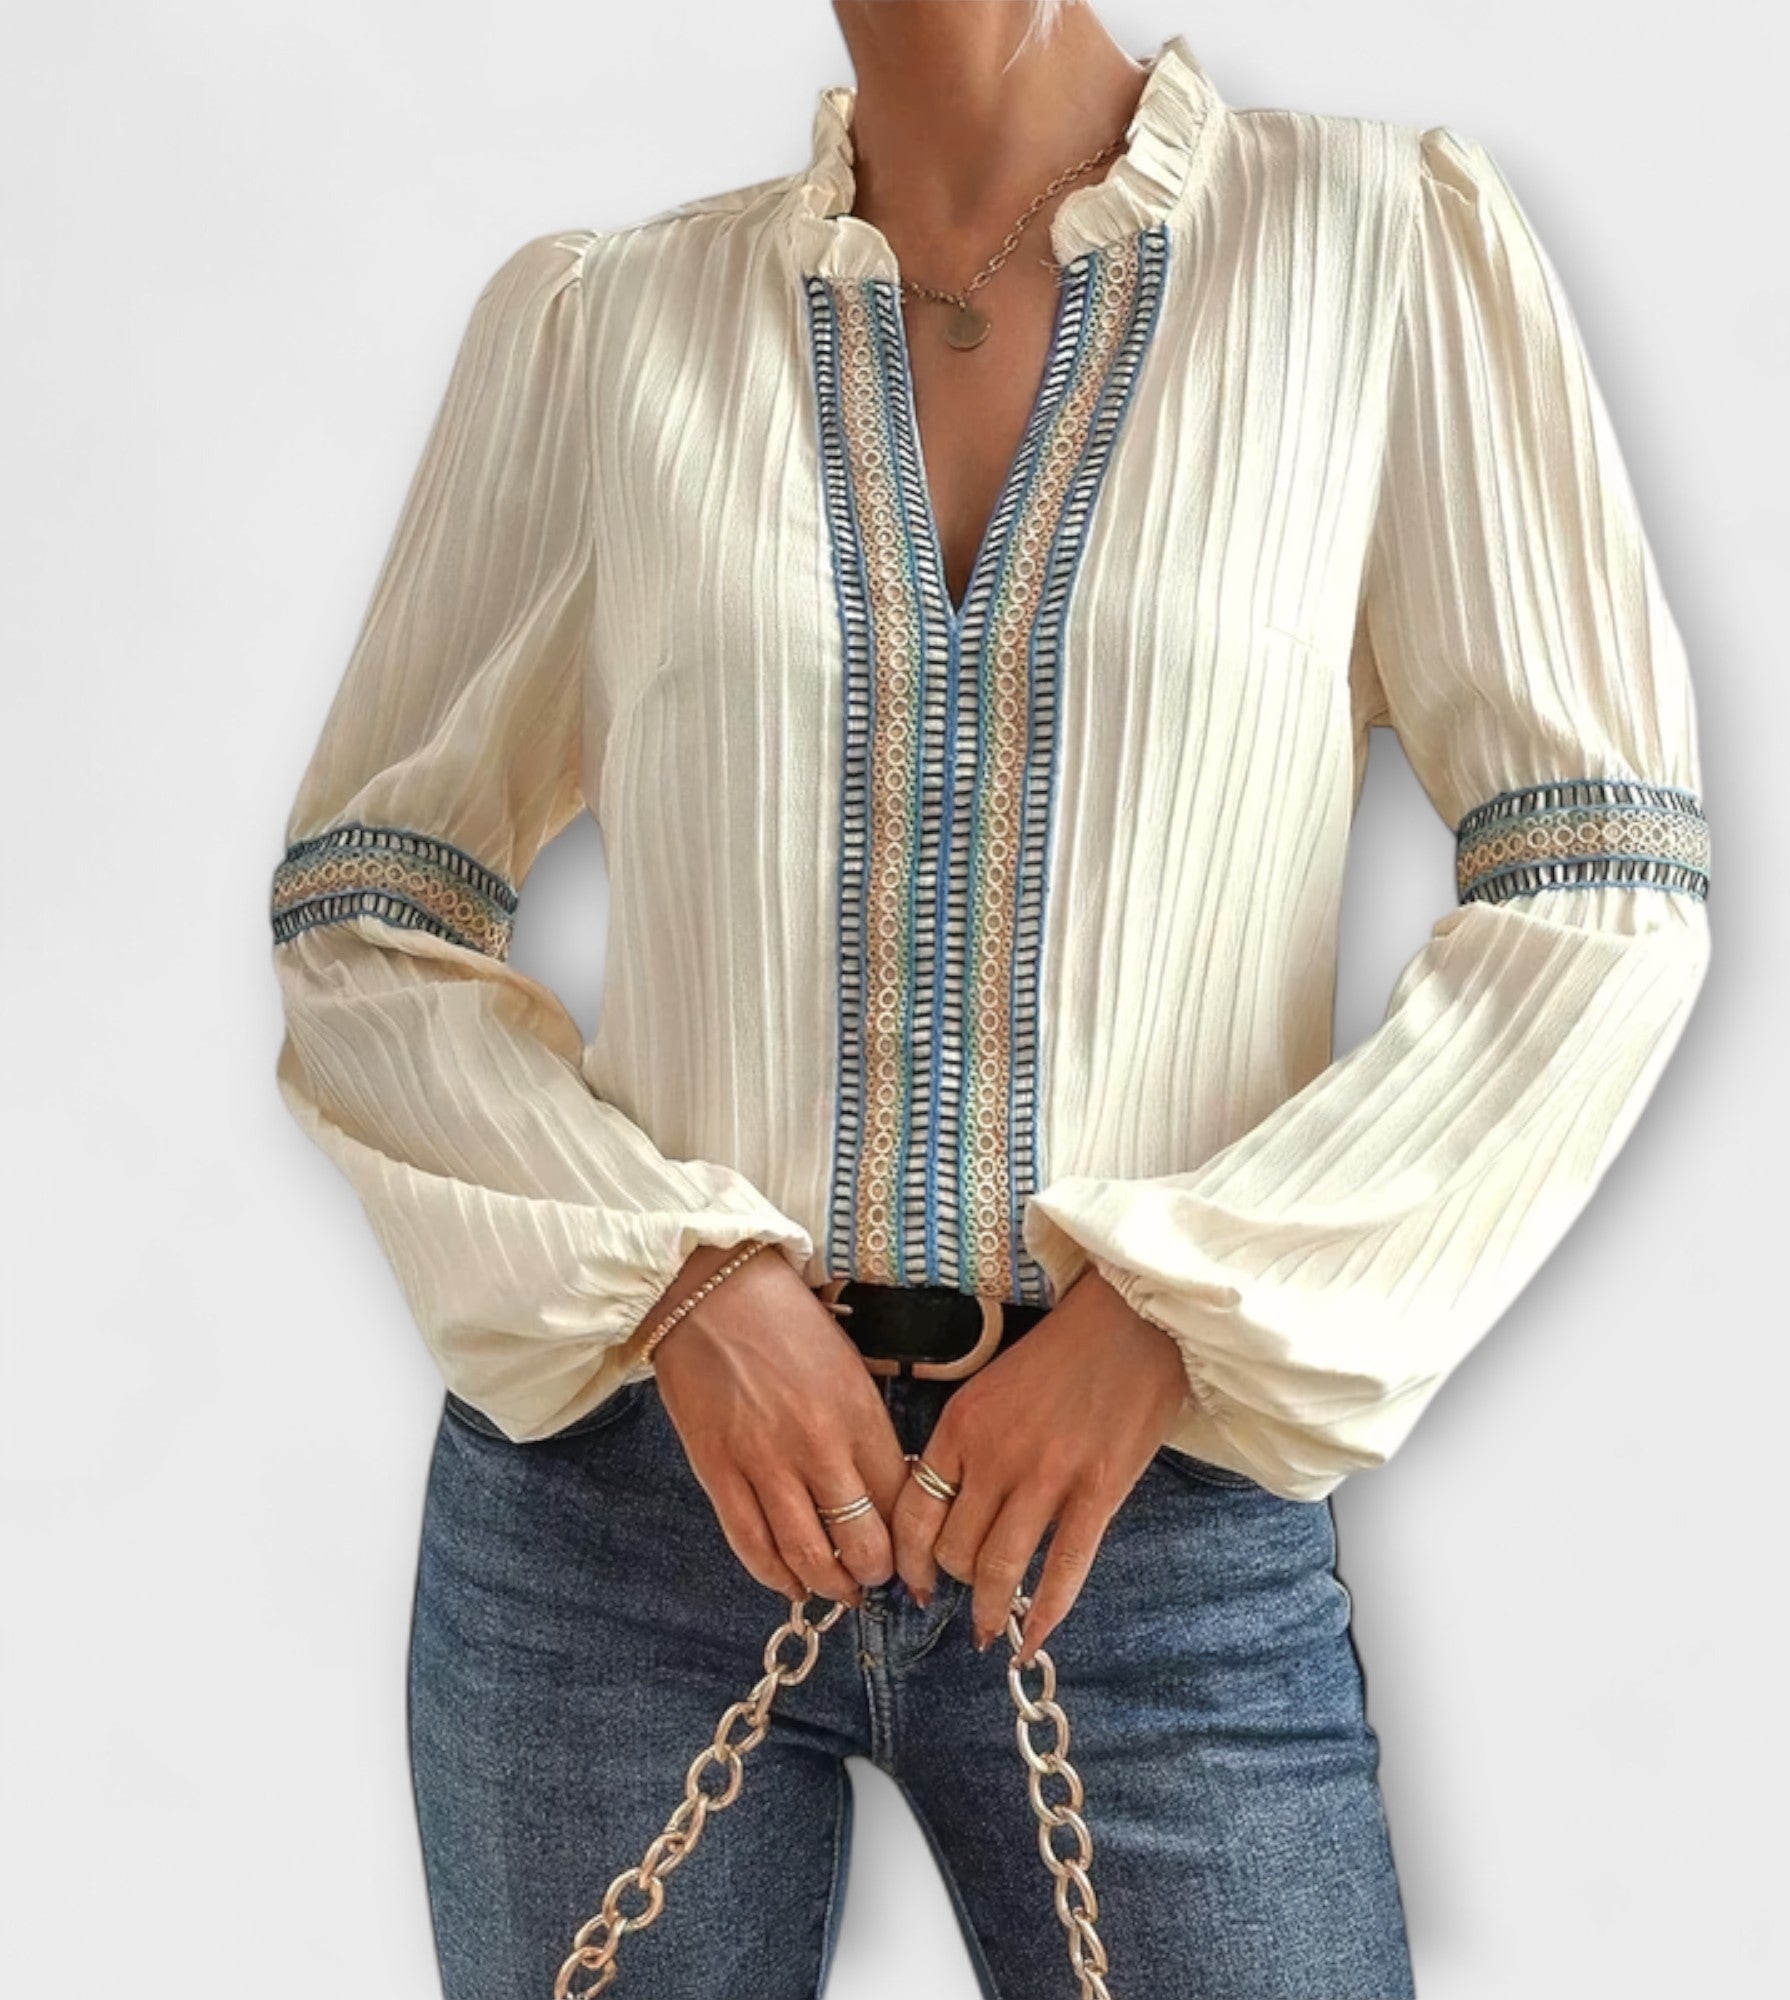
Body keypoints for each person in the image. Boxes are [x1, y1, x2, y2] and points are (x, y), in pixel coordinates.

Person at [265, 1, 1713, 1992]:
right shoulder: (607, 328)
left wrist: (1178, 1312)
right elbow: (368, 904)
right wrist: (681, 1285)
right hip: (628, 1525)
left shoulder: (1382, 255)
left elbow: (1598, 884)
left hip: (1146, 1526)